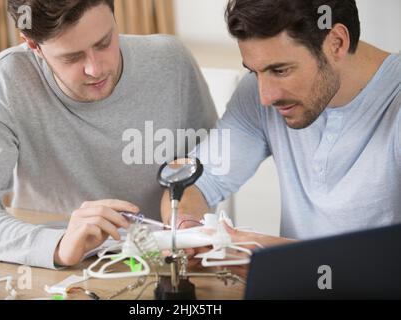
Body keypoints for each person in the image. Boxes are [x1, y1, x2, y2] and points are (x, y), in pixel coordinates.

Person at [0, 0, 217, 268]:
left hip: (160, 265)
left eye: (103, 43)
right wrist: (56, 245)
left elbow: (211, 169)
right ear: (34, 46)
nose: (95, 69)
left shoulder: (171, 61)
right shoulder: (6, 81)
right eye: (72, 57)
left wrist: (190, 224)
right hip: (53, 274)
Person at [161, 0, 401, 254]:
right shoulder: (258, 94)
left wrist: (262, 250)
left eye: (280, 70)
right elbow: (196, 181)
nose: (265, 97)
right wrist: (187, 227)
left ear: (336, 43)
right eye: (255, 72)